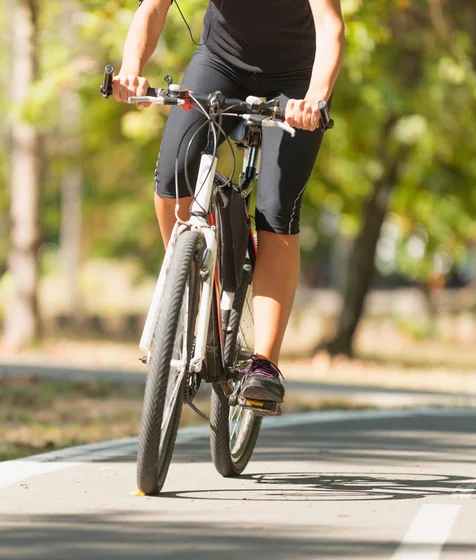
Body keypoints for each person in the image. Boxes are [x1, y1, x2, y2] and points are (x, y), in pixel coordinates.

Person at [113, 0, 345, 414]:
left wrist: (315, 99)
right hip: (220, 63)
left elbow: (330, 28)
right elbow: (152, 8)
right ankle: (187, 288)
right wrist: (132, 68)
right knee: (173, 178)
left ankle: (264, 365)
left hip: (295, 83)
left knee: (276, 209)